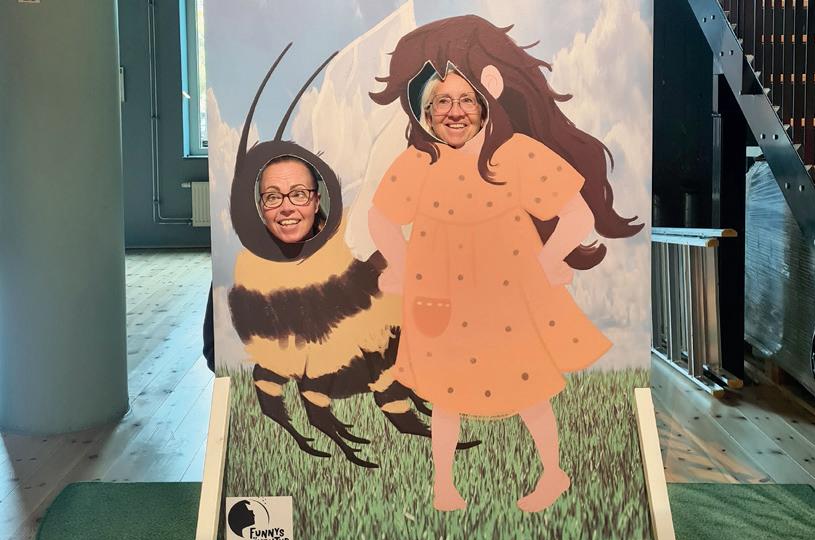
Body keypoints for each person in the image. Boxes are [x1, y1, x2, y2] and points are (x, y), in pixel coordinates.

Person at [367, 16, 643, 514]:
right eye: (441, 102)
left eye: (466, 99)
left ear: (487, 99)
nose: (455, 112)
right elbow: (381, 218)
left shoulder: (514, 156)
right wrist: (402, 266)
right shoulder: (418, 163)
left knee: (529, 389)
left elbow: (577, 214)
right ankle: (444, 485)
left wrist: (548, 260)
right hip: (441, 299)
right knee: (445, 393)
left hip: (510, 301)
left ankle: (553, 473)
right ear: (424, 112)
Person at [202, 155, 326, 373]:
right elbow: (216, 353)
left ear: (316, 202)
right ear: (261, 207)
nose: (286, 207)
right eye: (272, 197)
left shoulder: (347, 263)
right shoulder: (236, 269)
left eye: (299, 194)